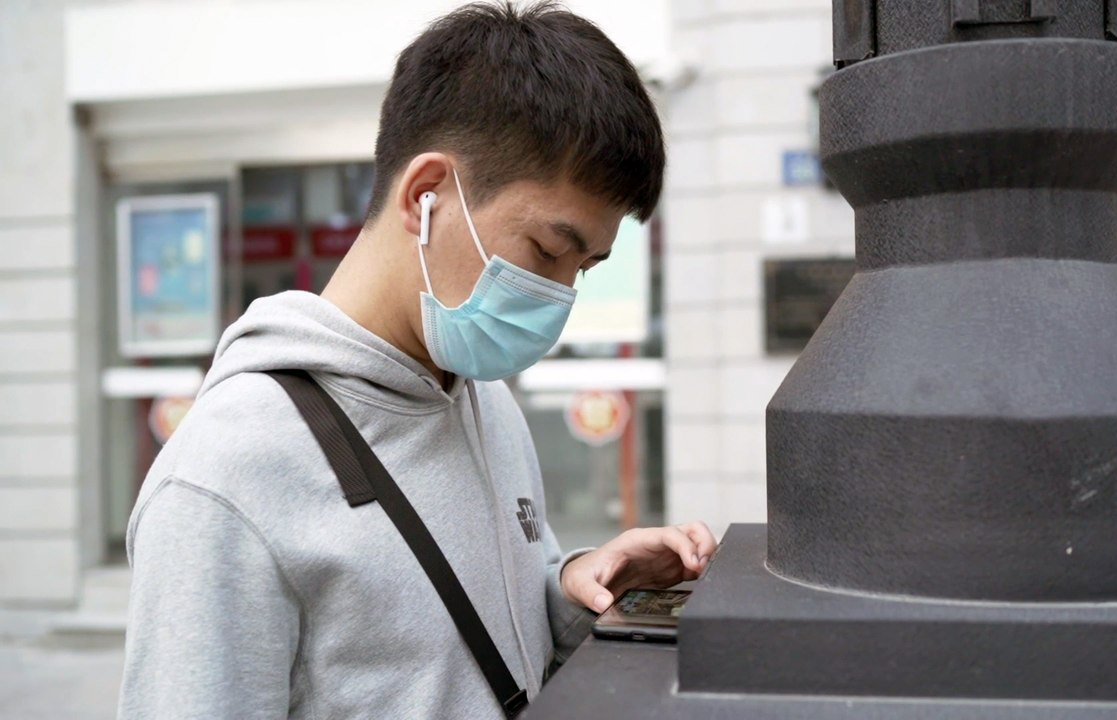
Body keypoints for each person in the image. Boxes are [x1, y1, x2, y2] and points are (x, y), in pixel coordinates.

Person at [117, 3, 716, 718]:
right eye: (548, 252)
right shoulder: (226, 478)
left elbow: (464, 650)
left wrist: (576, 590)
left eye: (583, 267)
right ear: (426, 194)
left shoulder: (481, 397)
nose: (560, 299)